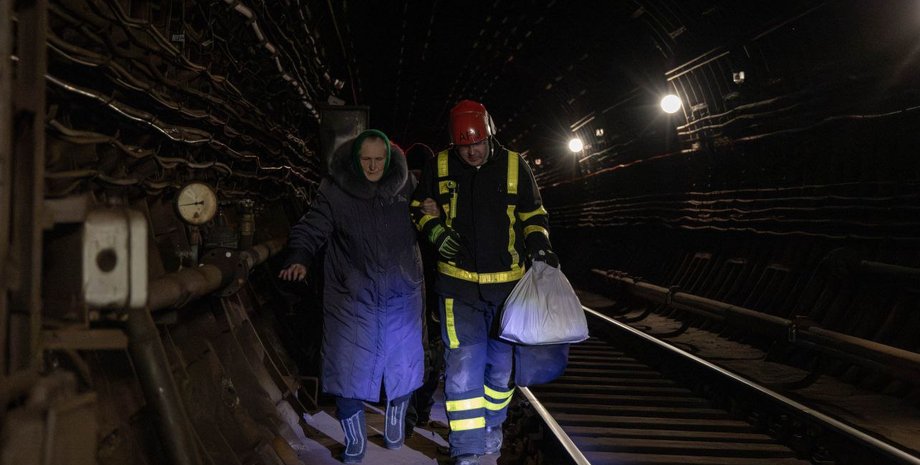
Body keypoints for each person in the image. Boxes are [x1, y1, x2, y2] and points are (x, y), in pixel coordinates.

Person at [410, 100, 558, 465]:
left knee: (501, 371)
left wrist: (539, 245)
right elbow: (418, 207)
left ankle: (491, 427)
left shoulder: (515, 166)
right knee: (462, 368)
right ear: (454, 144)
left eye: (477, 143)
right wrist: (435, 231)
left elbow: (533, 213)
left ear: (490, 136)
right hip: (457, 290)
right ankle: (466, 448)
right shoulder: (439, 167)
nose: (472, 152)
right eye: (464, 146)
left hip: (507, 293)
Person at [279, 129, 424, 464]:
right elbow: (311, 226)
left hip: (401, 294)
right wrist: (299, 256)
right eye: (366, 160)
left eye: (379, 160)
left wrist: (433, 213)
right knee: (346, 369)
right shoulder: (336, 190)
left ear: (388, 159)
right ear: (355, 160)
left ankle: (394, 424)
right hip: (351, 297)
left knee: (403, 365)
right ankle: (355, 441)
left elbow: (428, 218)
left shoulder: (407, 186)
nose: (372, 167)